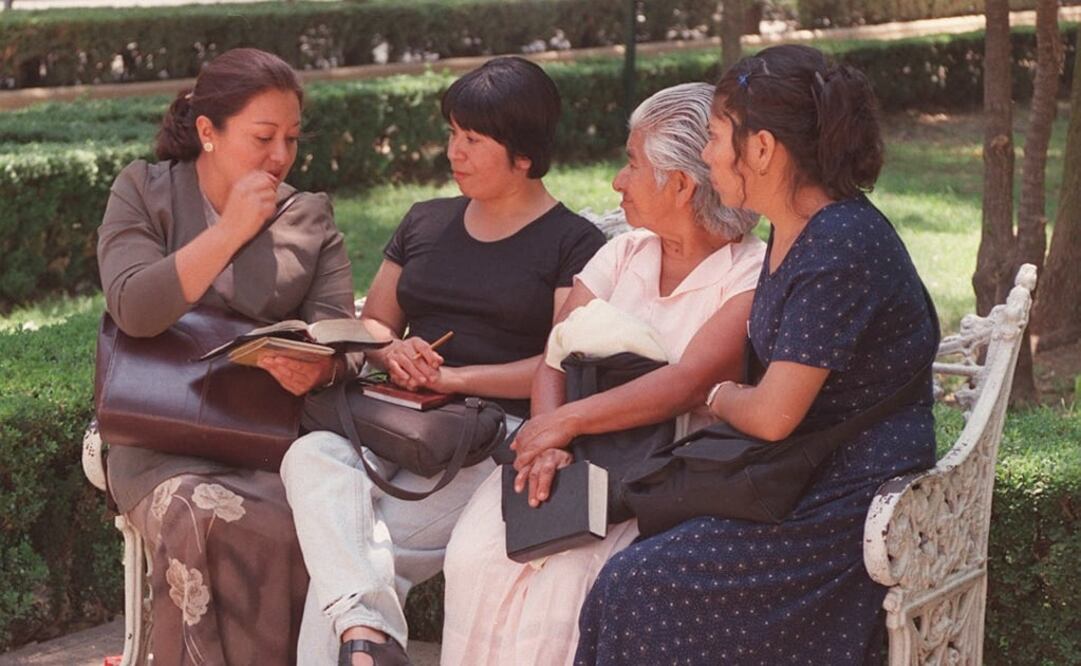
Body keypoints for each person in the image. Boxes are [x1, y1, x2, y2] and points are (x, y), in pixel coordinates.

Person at [574, 44, 939, 665]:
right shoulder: (796, 226)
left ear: (762, 148)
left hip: (846, 503)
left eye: (716, 136)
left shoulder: (839, 244)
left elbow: (772, 415)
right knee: (628, 572)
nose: (709, 153)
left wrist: (711, 393)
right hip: (798, 474)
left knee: (635, 584)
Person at [278, 56, 607, 666]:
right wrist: (388, 346)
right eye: (453, 133)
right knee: (311, 454)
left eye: (473, 140)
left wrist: (455, 377)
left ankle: (362, 635)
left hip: (489, 436)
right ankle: (366, 636)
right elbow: (377, 321)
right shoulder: (425, 219)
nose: (454, 151)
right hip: (395, 416)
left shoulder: (574, 243)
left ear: (525, 155)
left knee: (357, 560)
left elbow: (557, 362)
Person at [439, 82, 765, 666]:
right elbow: (553, 355)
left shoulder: (747, 275)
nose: (618, 179)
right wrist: (543, 442)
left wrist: (560, 426)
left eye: (633, 164)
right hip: (561, 451)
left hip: (651, 474)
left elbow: (688, 382)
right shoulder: (623, 254)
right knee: (474, 556)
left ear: (681, 184)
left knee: (569, 583)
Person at [96, 48, 359, 665]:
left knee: (299, 525)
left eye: (291, 139)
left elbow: (338, 333)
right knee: (201, 515)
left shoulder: (309, 216)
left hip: (266, 446)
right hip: (159, 444)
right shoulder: (144, 190)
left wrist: (321, 366)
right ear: (207, 132)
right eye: (263, 136)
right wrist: (230, 230)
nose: (280, 156)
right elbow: (134, 306)